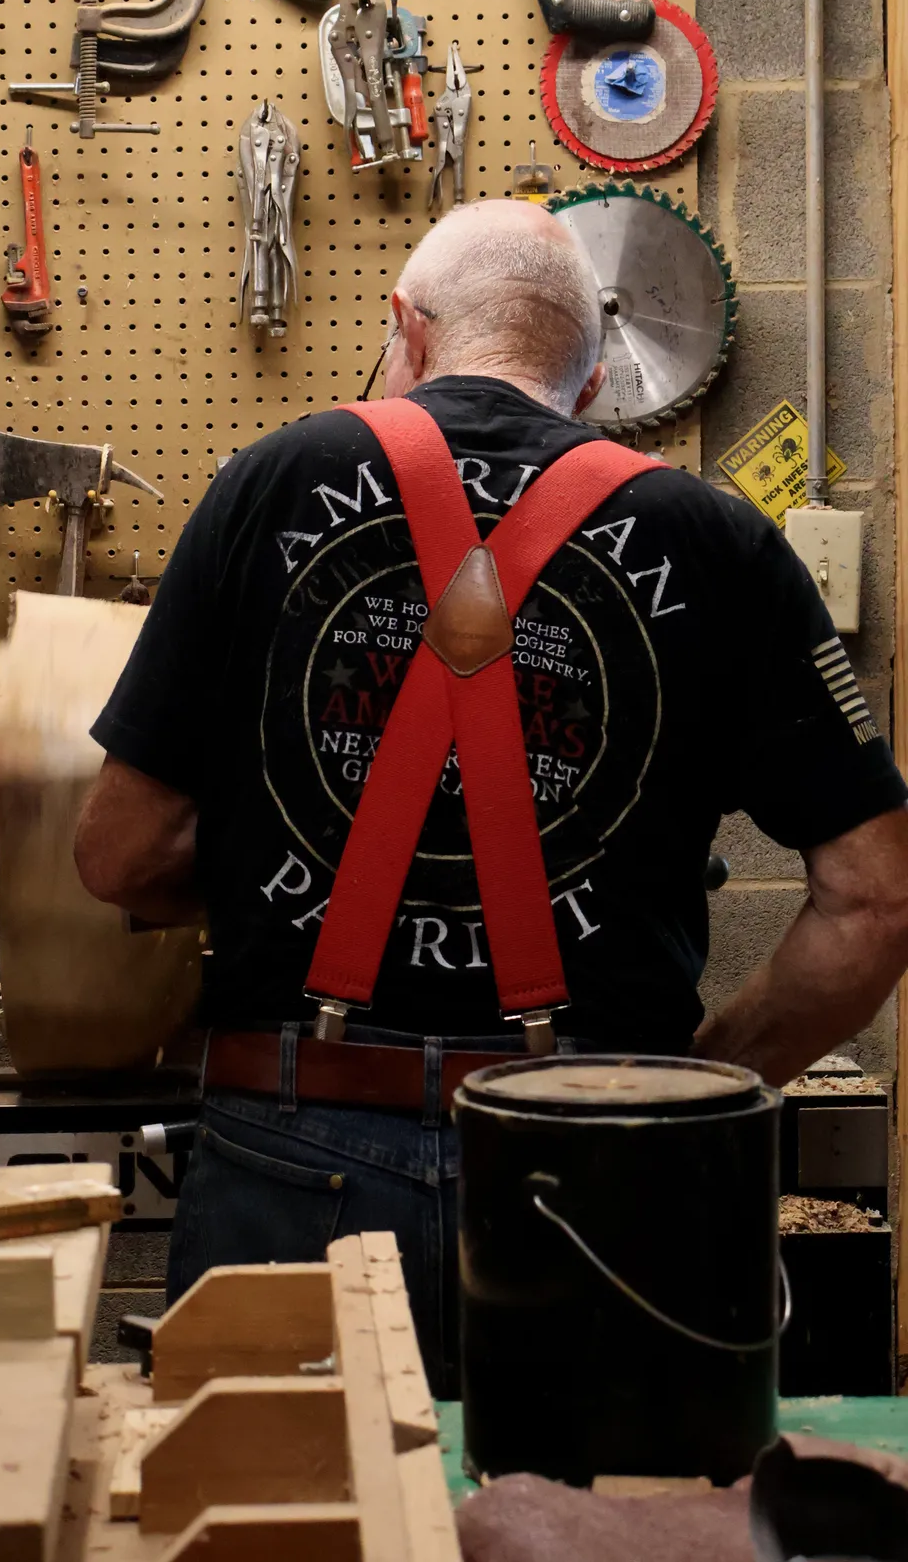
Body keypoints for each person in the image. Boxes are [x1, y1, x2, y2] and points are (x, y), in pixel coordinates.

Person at [74, 198, 908, 1395]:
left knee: (281, 1522)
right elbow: (879, 900)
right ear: (589, 385)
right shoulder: (714, 536)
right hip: (604, 1160)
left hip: (295, 1140)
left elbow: (117, 857)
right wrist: (697, 1084)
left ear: (405, 330)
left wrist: (297, 871)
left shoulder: (270, 481)